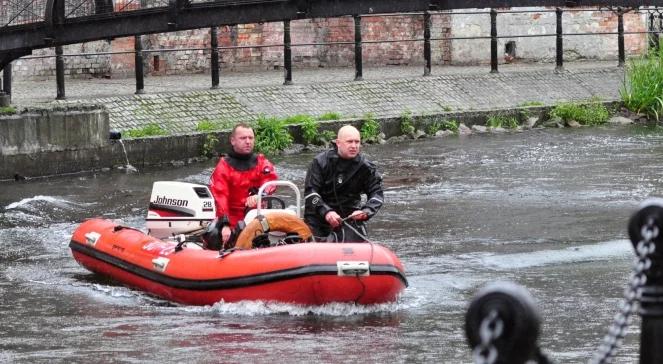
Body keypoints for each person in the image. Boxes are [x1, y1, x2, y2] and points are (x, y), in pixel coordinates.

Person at [304, 125, 384, 242]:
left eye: (357, 142)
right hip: (318, 219)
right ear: (338, 143)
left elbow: (377, 194)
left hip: (349, 218)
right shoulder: (320, 162)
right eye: (349, 142)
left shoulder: (365, 167)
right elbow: (310, 192)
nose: (354, 146)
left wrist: (366, 211)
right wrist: (326, 212)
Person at [209, 123, 278, 246]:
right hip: (233, 219)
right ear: (233, 141)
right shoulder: (223, 166)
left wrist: (260, 194)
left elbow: (271, 180)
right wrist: (225, 224)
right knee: (217, 236)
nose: (248, 142)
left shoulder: (261, 162)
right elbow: (220, 197)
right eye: (243, 138)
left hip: (257, 215)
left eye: (250, 138)